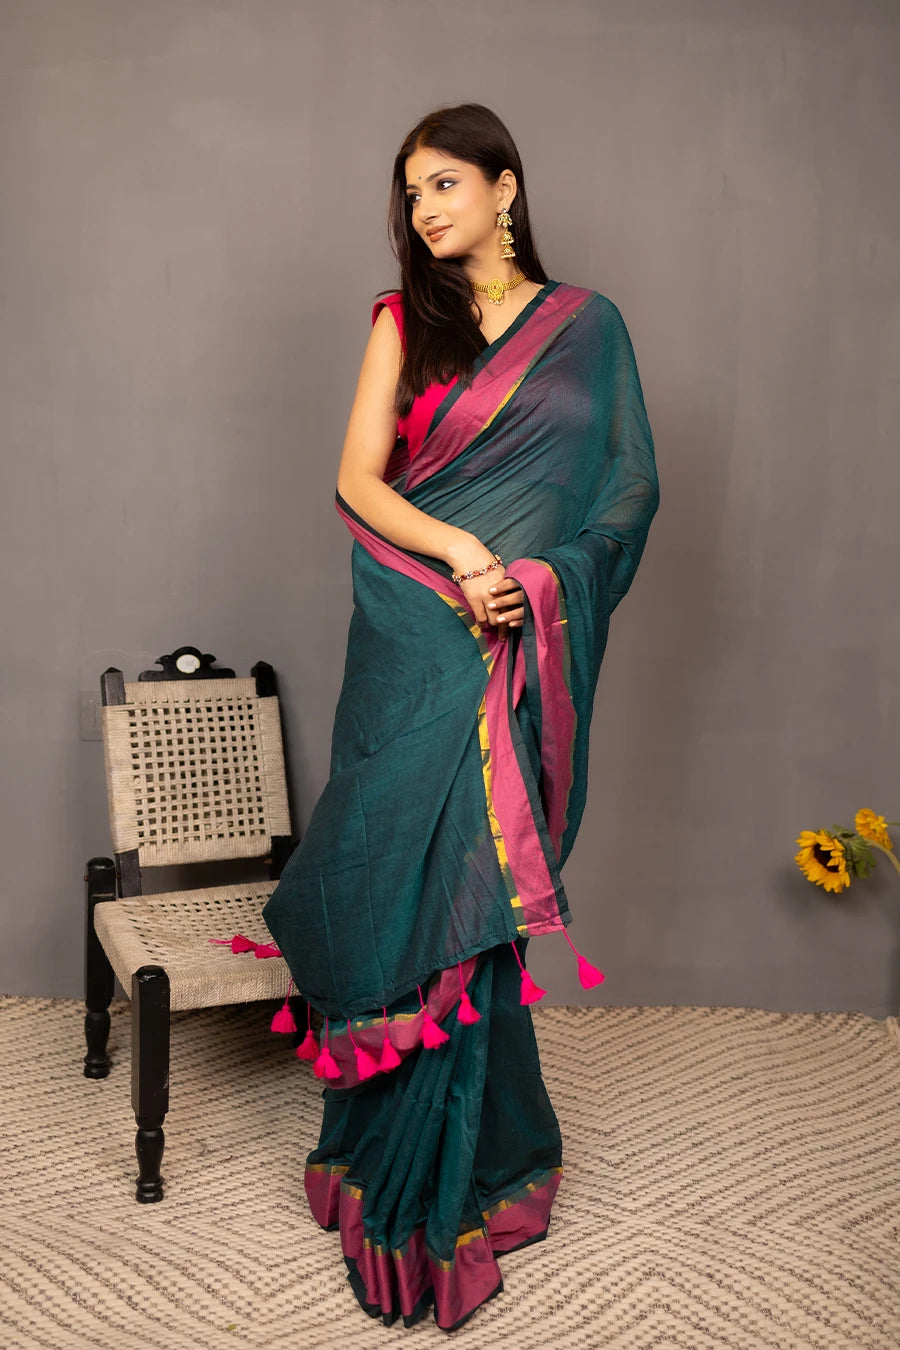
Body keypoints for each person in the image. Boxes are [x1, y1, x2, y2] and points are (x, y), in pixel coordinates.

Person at [261, 101, 660, 1332]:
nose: (424, 208)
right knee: (395, 867)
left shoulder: (589, 328)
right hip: (417, 630)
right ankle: (381, 1151)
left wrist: (536, 584)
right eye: (411, 192)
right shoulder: (403, 321)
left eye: (444, 183)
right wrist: (469, 556)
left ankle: (468, 1165)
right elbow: (357, 481)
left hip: (516, 637)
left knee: (470, 884)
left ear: (504, 185)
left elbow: (628, 490)